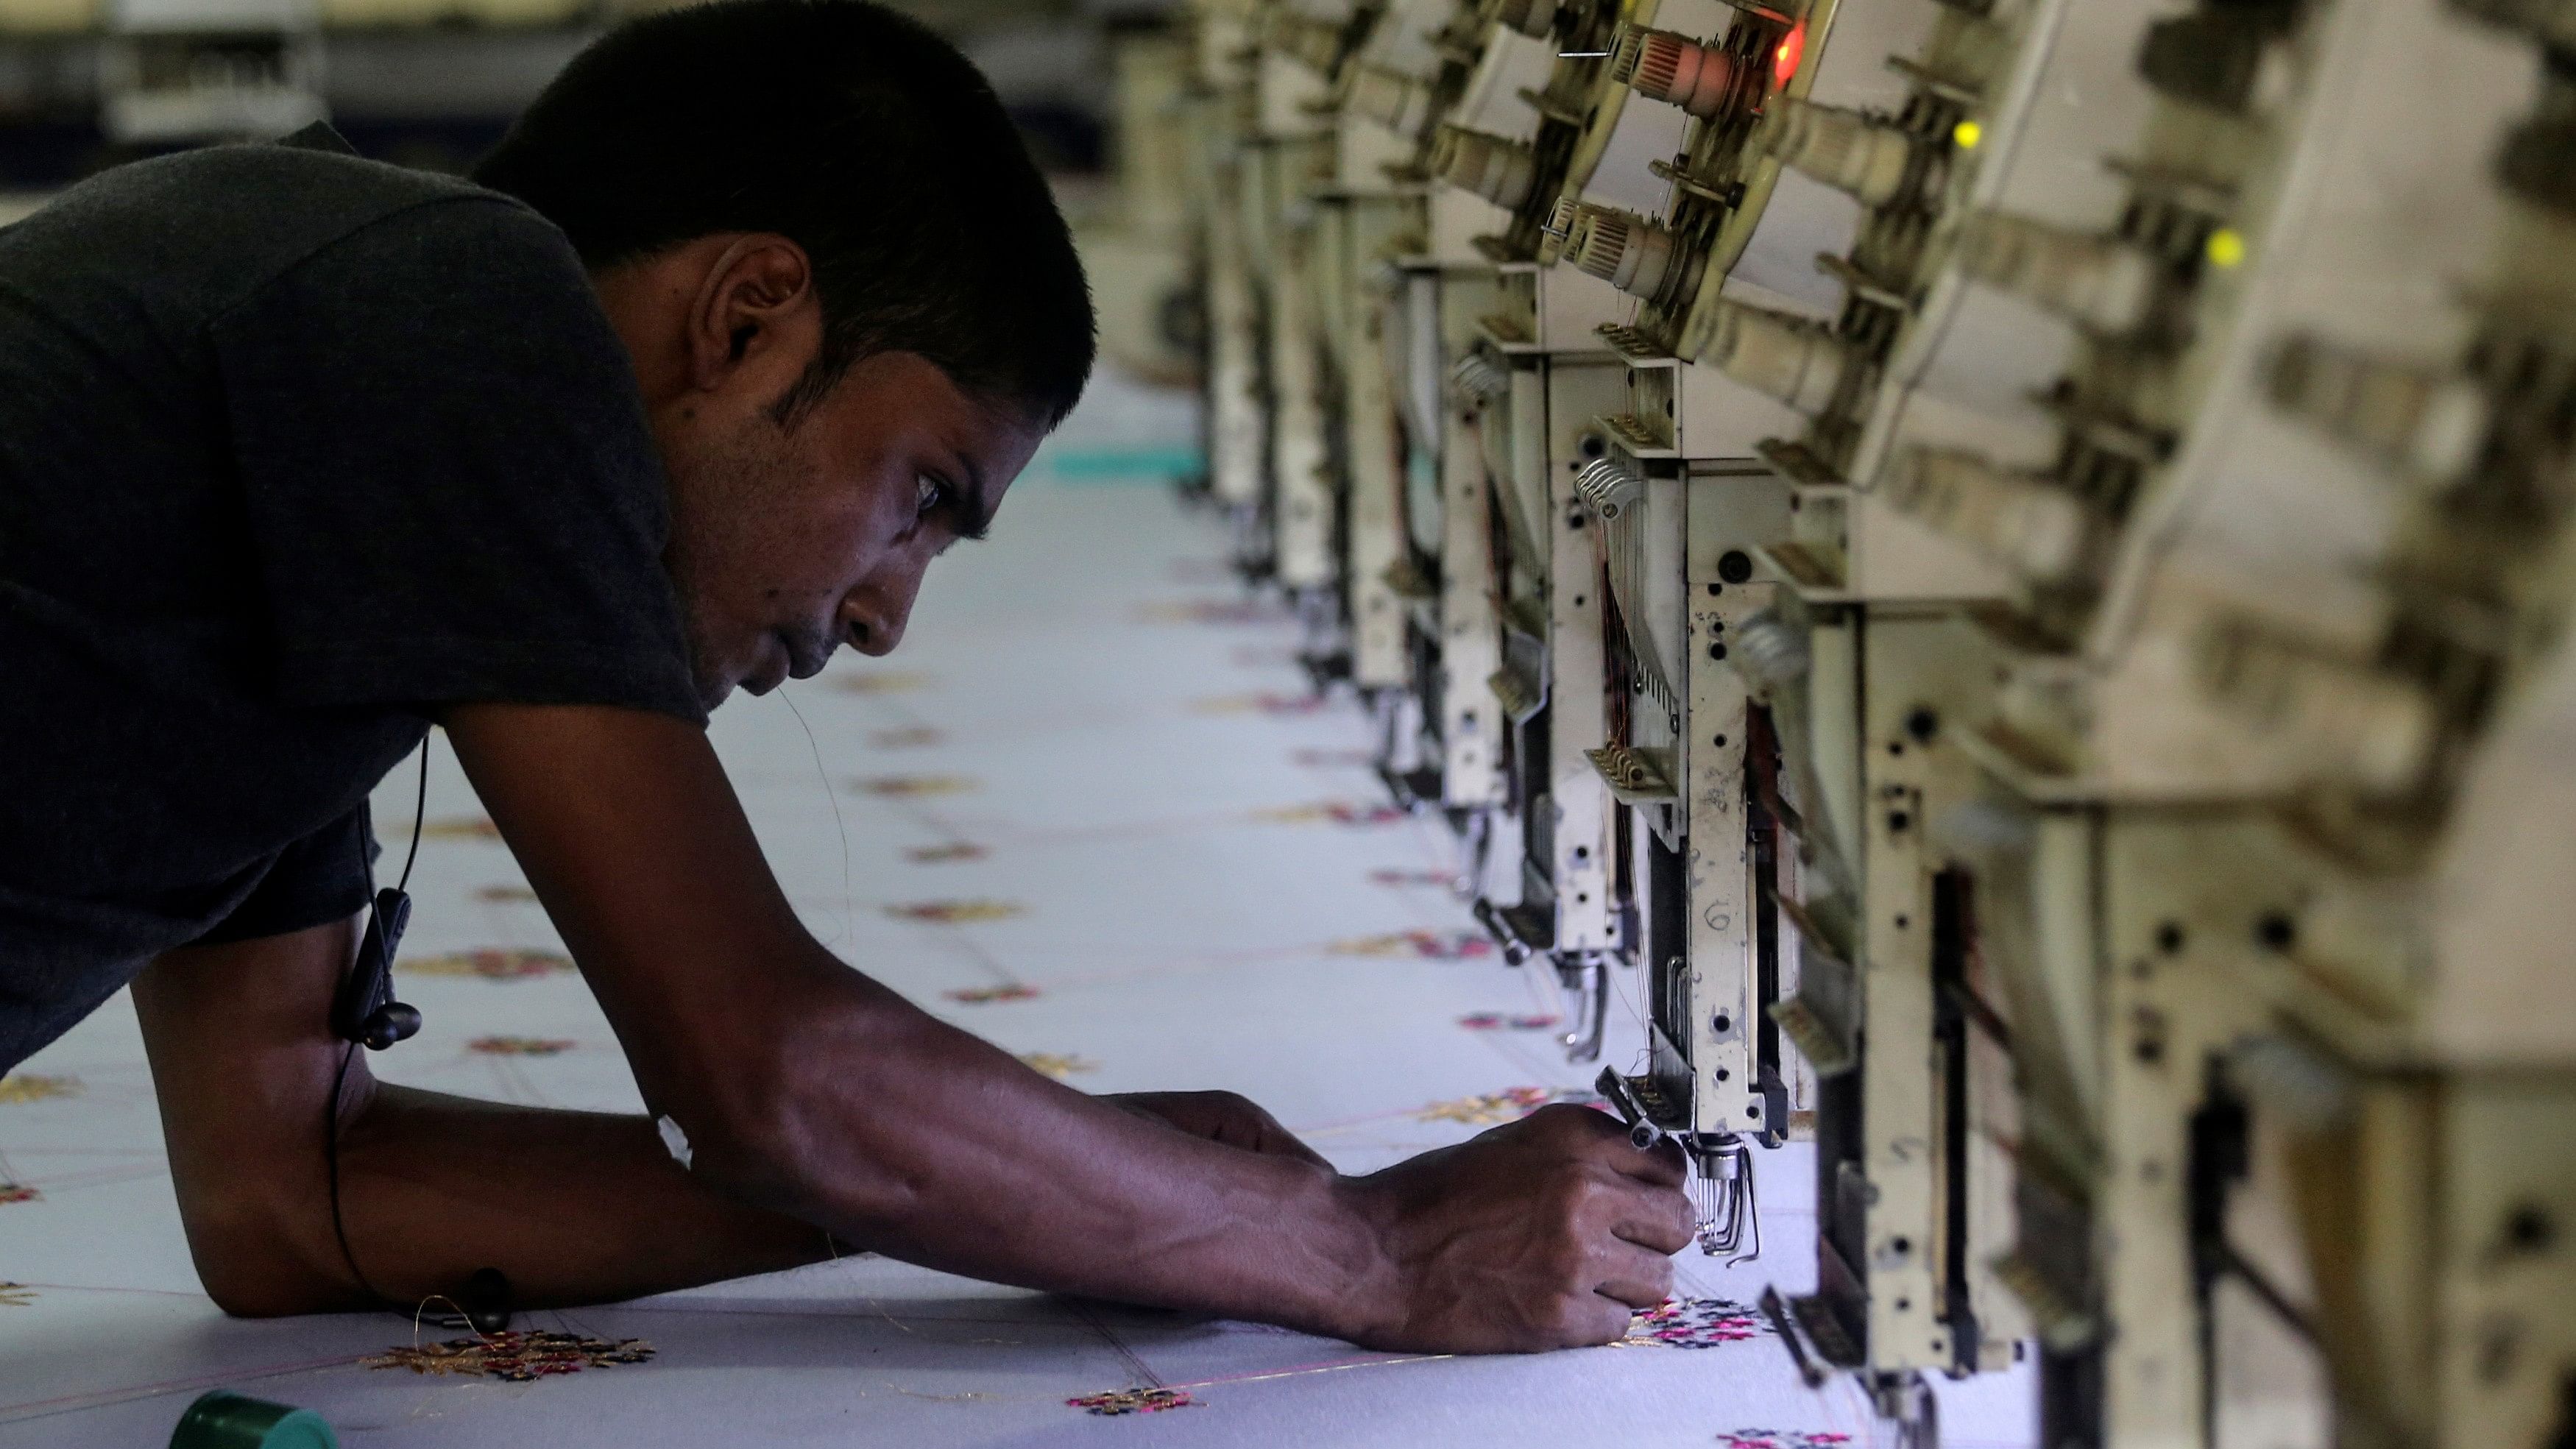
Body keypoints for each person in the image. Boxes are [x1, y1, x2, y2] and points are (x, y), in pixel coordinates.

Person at [0, 0, 1691, 1352]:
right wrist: (1365, 1250)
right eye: (923, 501)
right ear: (747, 318)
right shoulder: (450, 299)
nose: (884, 616)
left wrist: (1037, 1181)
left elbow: (304, 1201)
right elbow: (767, 1076)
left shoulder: (306, 443)